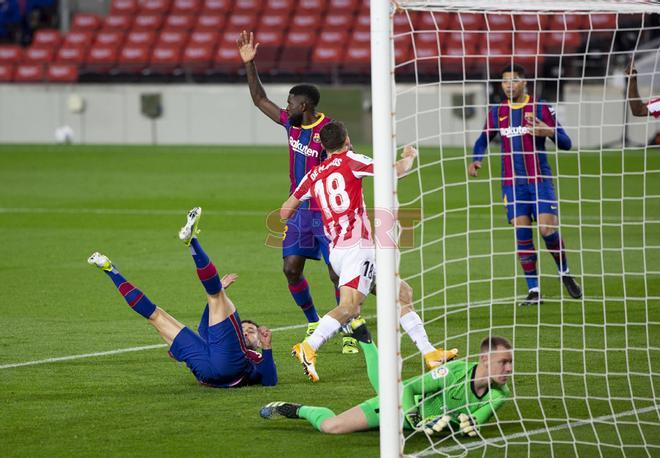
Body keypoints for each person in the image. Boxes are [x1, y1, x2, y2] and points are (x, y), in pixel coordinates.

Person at [281, 121, 458, 382]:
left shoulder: (313, 175)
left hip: (339, 251)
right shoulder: (351, 159)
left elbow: (285, 212)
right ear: (347, 139)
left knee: (402, 293)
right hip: (358, 250)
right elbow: (395, 172)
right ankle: (308, 346)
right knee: (350, 308)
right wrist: (409, 157)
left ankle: (430, 353)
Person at [237, 30, 358, 354]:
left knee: (337, 273)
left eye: (290, 101)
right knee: (291, 268)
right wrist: (250, 64)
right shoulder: (291, 124)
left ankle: (348, 327)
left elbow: (348, 160)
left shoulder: (331, 131)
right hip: (300, 211)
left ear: (303, 104)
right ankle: (314, 319)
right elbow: (259, 99)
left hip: (328, 213)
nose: (286, 105)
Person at [87, 207, 277, 388]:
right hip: (206, 370)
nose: (245, 332)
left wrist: (267, 348)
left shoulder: (253, 357)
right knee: (155, 316)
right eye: (244, 328)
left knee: (214, 294)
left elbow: (270, 381)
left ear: (259, 342)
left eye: (251, 331)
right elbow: (208, 323)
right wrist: (218, 292)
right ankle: (109, 269)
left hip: (226, 367)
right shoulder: (230, 345)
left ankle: (192, 241)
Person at [260, 323, 512, 437]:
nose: (509, 369)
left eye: (510, 362)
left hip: (414, 424)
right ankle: (297, 409)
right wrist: (414, 417)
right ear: (485, 359)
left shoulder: (499, 395)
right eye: (504, 362)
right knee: (330, 427)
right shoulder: (455, 371)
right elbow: (410, 388)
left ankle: (363, 336)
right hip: (403, 406)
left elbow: (476, 420)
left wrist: (464, 425)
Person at [468, 64, 582, 306]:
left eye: (515, 80)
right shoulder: (497, 111)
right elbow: (482, 139)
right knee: (522, 233)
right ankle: (534, 290)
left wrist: (548, 131)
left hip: (539, 180)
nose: (510, 85)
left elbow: (567, 143)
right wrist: (476, 159)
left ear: (525, 83)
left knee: (546, 230)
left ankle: (565, 273)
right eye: (505, 81)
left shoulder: (540, 108)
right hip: (512, 184)